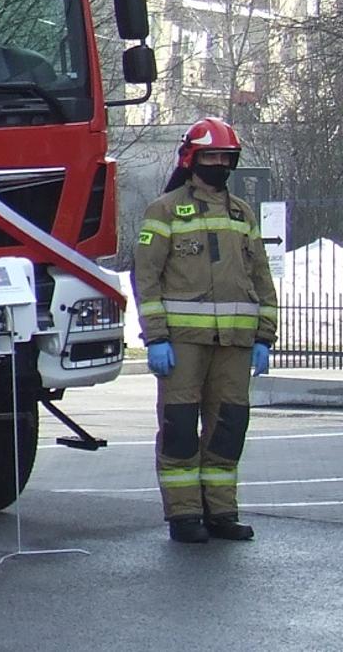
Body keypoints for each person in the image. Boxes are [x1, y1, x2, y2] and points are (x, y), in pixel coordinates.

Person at [133, 117, 277, 544]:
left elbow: (261, 277)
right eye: (211, 156)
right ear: (191, 160)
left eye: (226, 158)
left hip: (235, 344)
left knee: (229, 427)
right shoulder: (164, 210)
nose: (219, 165)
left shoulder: (242, 214)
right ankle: (184, 515)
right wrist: (156, 337)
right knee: (180, 428)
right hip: (182, 345)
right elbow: (147, 277)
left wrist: (264, 336)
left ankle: (221, 512)